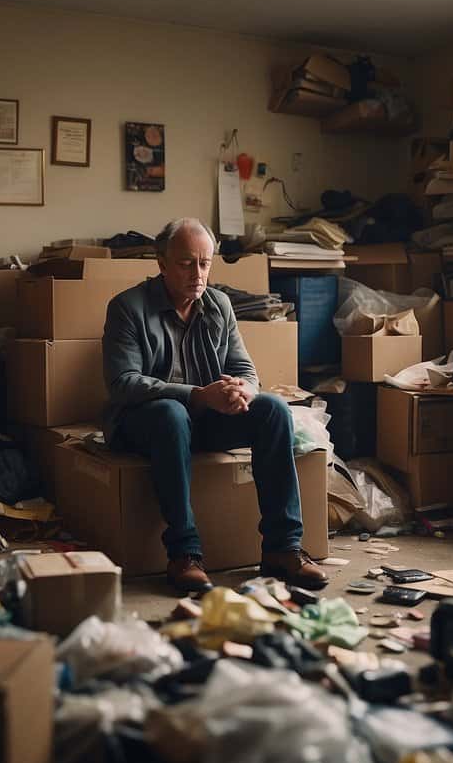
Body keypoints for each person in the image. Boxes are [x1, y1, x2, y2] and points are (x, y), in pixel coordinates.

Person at [101, 217, 328, 593]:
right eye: (186, 263)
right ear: (161, 263)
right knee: (171, 414)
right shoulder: (127, 307)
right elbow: (122, 384)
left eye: (205, 263)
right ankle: (184, 555)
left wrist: (244, 390)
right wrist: (198, 395)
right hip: (143, 422)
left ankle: (282, 548)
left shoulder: (219, 305)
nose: (198, 273)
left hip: (203, 419)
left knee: (272, 409)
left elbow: (244, 368)